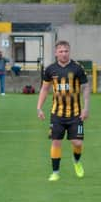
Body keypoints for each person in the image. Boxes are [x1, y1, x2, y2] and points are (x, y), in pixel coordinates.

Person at [36, 40, 91, 181]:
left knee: (77, 143)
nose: (64, 54)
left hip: (76, 114)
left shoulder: (77, 68)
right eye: (61, 51)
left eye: (66, 51)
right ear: (56, 53)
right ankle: (55, 172)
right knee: (56, 142)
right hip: (57, 114)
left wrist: (86, 107)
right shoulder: (50, 70)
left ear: (69, 52)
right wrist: (39, 107)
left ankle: (77, 162)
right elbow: (45, 88)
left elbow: (85, 87)